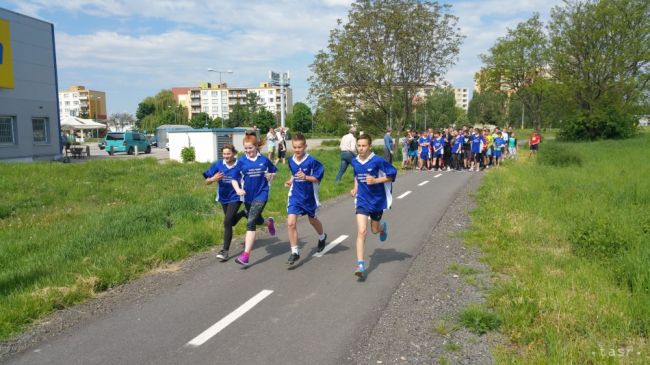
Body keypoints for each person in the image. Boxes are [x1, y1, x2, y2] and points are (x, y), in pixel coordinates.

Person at [350, 133, 397, 279]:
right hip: (362, 200)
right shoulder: (355, 161)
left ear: (370, 146)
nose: (361, 148)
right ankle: (361, 265)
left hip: (376, 201)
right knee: (362, 231)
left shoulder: (377, 161)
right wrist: (355, 188)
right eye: (359, 145)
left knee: (374, 230)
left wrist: (376, 181)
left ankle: (382, 227)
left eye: (364, 146)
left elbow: (392, 175)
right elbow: (357, 176)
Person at [233, 132, 278, 267]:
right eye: (246, 148)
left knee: (251, 222)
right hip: (247, 196)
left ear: (256, 147)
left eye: (250, 148)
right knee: (256, 219)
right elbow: (234, 179)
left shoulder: (263, 160)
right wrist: (238, 190)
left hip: (261, 194)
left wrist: (271, 176)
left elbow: (273, 171)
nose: (248, 151)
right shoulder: (241, 161)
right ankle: (268, 223)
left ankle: (245, 256)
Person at [284, 133, 328, 265]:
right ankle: (295, 252)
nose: (297, 150)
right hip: (295, 196)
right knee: (291, 223)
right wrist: (290, 181)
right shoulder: (291, 160)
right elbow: (294, 175)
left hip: (309, 197)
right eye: (295, 147)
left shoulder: (312, 161)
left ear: (305, 146)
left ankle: (322, 237)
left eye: (299, 147)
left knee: (312, 221)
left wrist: (306, 177)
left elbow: (317, 178)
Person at [203, 144, 245, 262]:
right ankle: (243, 213)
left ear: (234, 153)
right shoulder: (218, 164)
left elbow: (249, 177)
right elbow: (206, 181)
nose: (226, 156)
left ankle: (225, 251)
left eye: (229, 153)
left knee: (227, 222)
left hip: (236, 196)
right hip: (223, 197)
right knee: (230, 222)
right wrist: (212, 179)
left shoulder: (240, 164)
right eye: (224, 154)